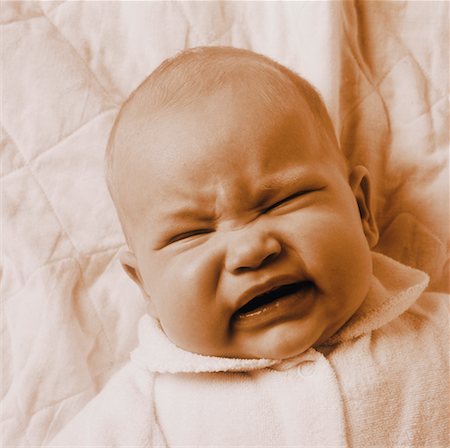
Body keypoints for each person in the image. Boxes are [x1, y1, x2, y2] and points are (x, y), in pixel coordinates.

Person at [48, 47, 448, 447]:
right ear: (145, 286)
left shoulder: (436, 340)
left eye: (282, 201)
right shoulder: (135, 415)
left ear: (361, 211)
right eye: (192, 234)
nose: (251, 251)